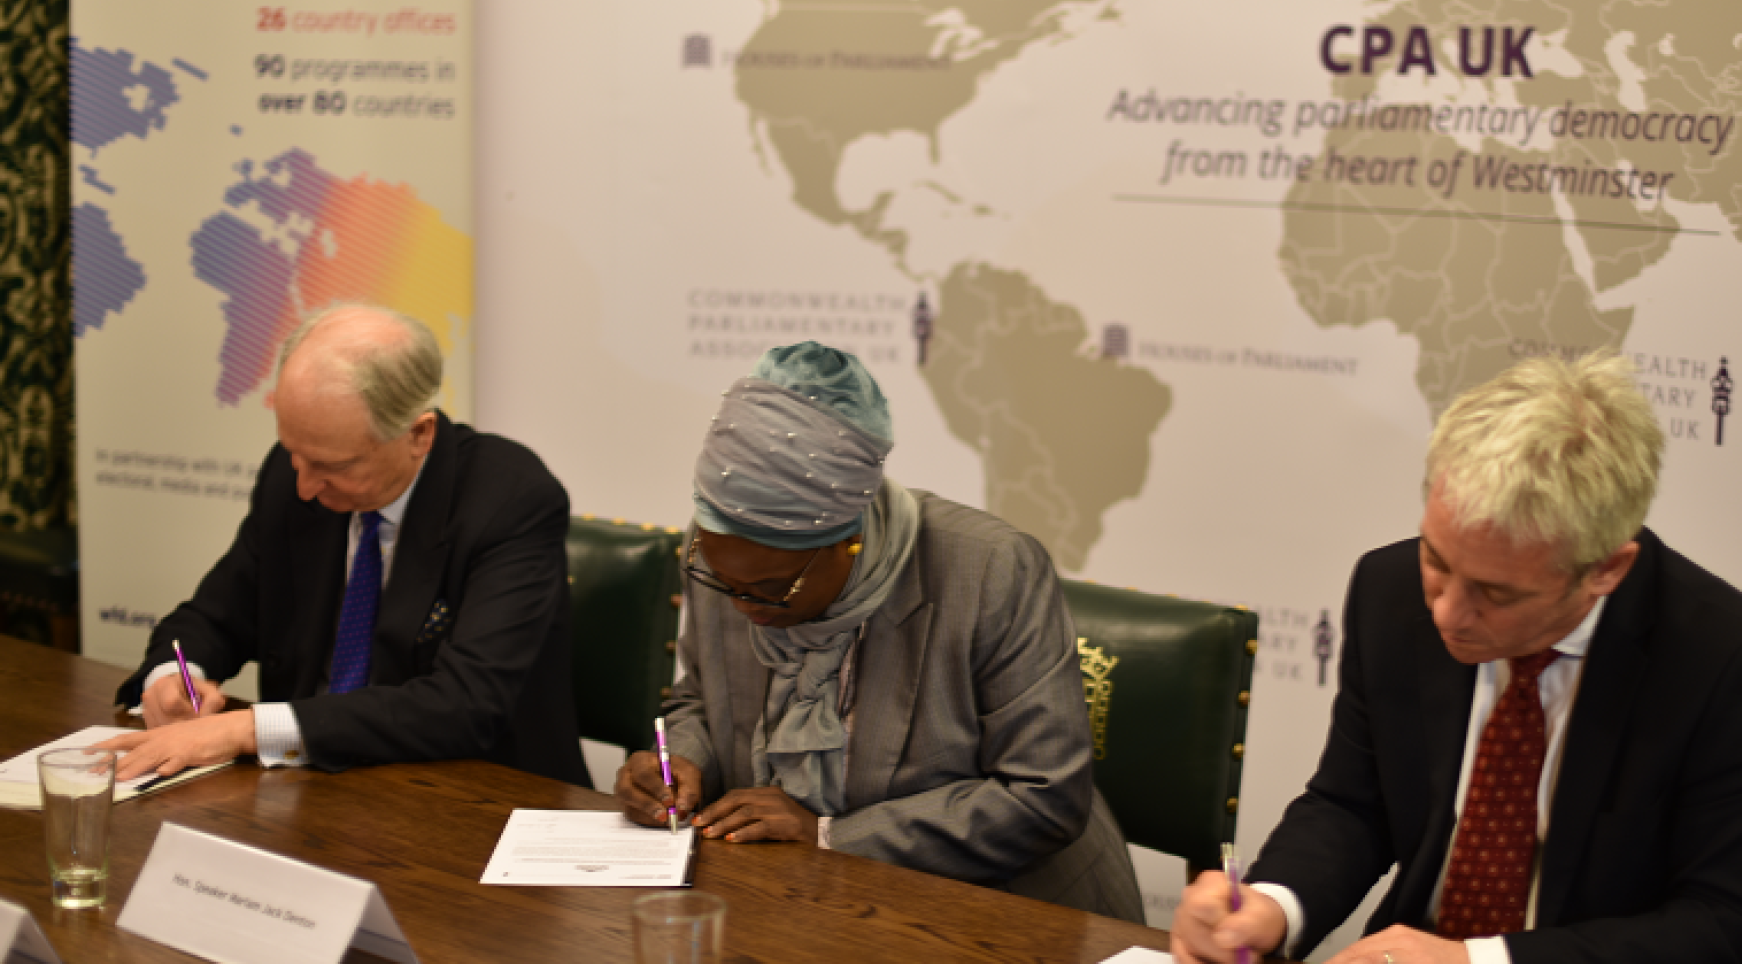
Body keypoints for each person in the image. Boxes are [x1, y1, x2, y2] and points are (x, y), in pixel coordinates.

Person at [1173, 351, 1742, 964]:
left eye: (1496, 593)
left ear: (1606, 570)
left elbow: (1733, 926)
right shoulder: (1387, 589)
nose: (1446, 612)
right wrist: (1273, 905)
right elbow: (1354, 803)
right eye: (1437, 561)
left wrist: (1476, 958)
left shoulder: (1727, 665)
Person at [616, 341, 1143, 921]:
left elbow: (1042, 798)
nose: (743, 605)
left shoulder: (990, 569)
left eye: (771, 589)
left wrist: (829, 834)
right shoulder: (728, 552)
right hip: (788, 901)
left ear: (850, 539)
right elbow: (703, 697)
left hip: (990, 910)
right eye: (722, 580)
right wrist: (678, 764)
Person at [102, 304, 590, 787]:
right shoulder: (292, 475)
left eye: (335, 466)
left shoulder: (510, 500)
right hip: (313, 789)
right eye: (296, 454)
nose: (306, 487)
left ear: (418, 434)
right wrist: (172, 676)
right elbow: (212, 616)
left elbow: (463, 704)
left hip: (474, 801)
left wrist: (245, 729)